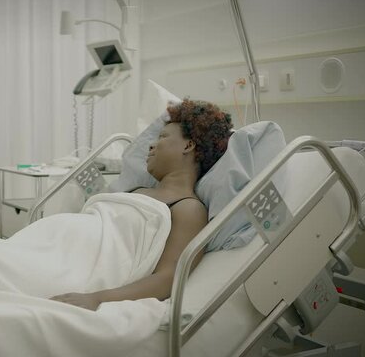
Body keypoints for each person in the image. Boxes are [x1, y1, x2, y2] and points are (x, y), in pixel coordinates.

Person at [51, 98, 233, 310]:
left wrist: (97, 298)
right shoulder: (136, 191)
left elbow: (168, 278)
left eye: (163, 137)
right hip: (60, 246)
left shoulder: (188, 208)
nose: (152, 145)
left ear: (189, 145)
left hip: (77, 269)